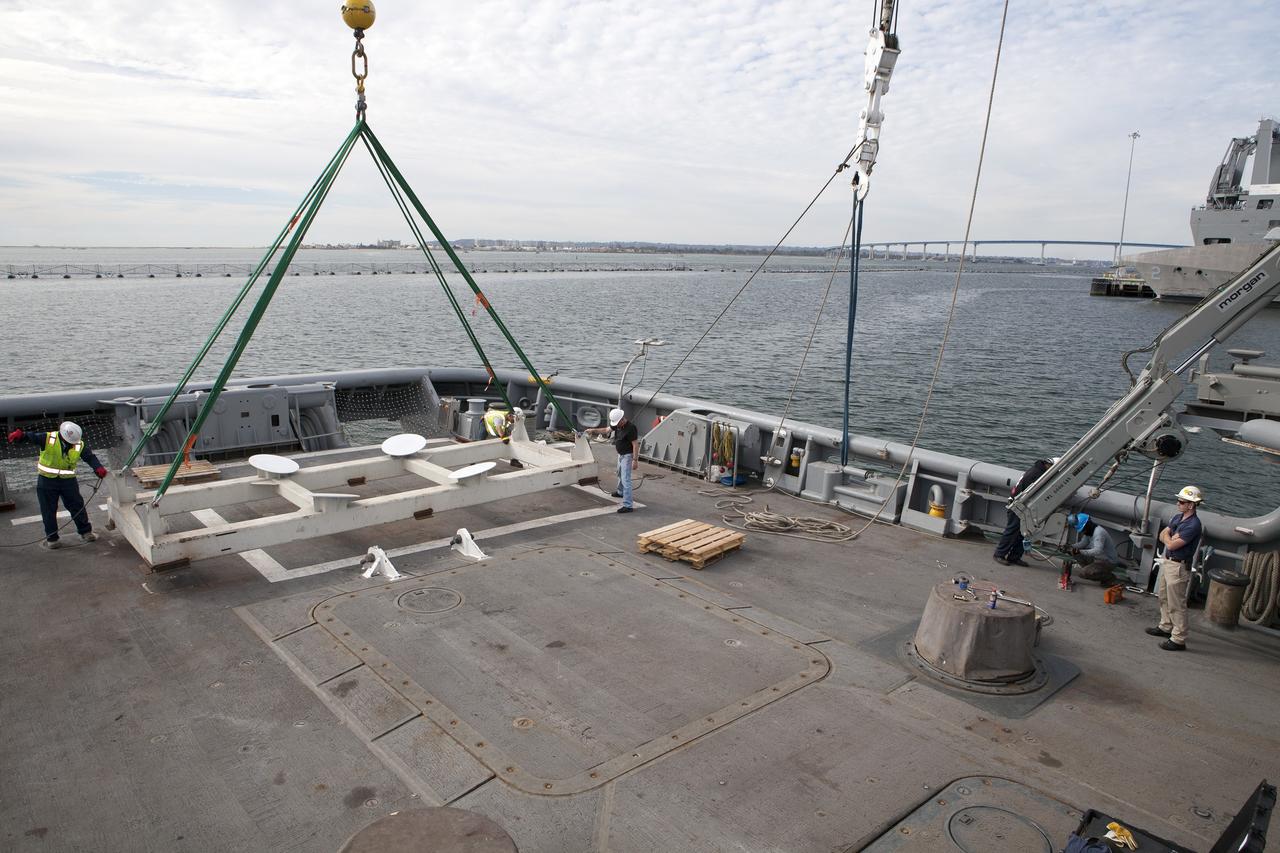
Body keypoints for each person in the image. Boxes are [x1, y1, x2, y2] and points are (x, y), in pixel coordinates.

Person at [7, 421, 107, 550]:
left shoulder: (79, 444)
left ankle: (85, 531)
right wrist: (21, 435)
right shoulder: (49, 438)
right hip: (47, 480)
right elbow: (33, 437)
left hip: (68, 480)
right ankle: (52, 538)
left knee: (77, 505)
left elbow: (89, 457)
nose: (73, 444)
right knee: (48, 509)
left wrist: (98, 467)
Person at [1145, 485, 1204, 651]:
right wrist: (1169, 537)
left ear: (1191, 505)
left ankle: (1179, 638)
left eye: (1181, 501)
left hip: (1178, 567)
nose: (1178, 504)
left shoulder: (1193, 525)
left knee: (1177, 603)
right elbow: (1163, 535)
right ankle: (1165, 626)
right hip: (1169, 562)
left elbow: (1172, 543)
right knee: (1163, 596)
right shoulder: (1179, 518)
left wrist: (1169, 538)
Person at [994, 457, 1055, 567]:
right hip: (1018, 506)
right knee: (1012, 531)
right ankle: (999, 554)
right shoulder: (1036, 474)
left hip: (1025, 506)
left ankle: (1014, 557)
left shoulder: (1038, 471)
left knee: (1024, 533)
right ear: (1048, 465)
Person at [585, 407, 638, 513]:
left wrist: (635, 460)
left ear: (622, 419)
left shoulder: (631, 428)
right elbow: (606, 430)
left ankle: (628, 505)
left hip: (627, 456)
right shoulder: (617, 425)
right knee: (619, 473)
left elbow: (635, 444)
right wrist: (593, 430)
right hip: (620, 455)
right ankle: (620, 492)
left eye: (617, 423)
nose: (616, 425)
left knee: (625, 479)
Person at [1066, 513, 1119, 585]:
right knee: (1075, 553)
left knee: (1083, 573)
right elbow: (1082, 543)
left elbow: (1098, 551)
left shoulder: (1099, 533)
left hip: (1108, 561)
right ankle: (1091, 570)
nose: (1083, 531)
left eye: (1083, 529)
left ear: (1088, 524)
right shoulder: (1089, 531)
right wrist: (1070, 547)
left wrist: (1080, 551)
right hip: (1097, 558)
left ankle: (1109, 577)